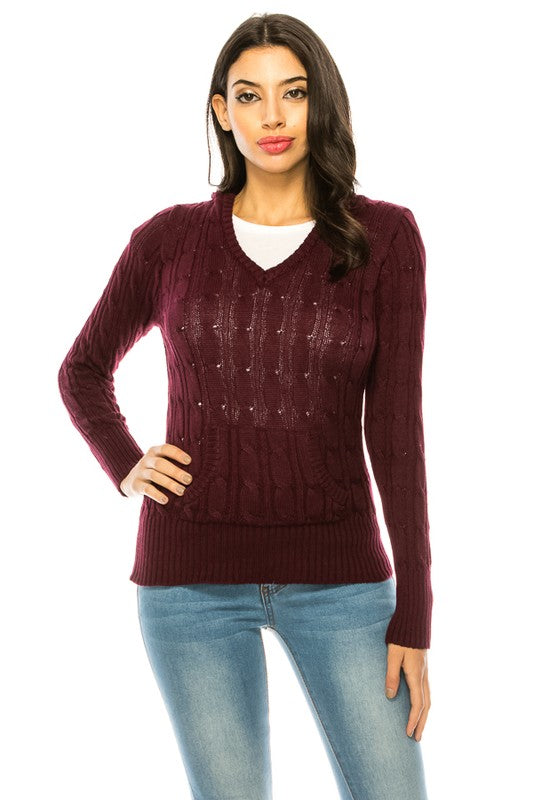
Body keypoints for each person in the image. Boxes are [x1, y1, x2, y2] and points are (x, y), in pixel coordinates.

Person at [58, 12, 433, 800]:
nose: (272, 116)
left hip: (342, 583)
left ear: (320, 102)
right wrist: (127, 463)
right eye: (249, 95)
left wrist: (415, 612)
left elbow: (397, 436)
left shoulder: (383, 238)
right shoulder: (168, 240)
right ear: (221, 111)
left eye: (292, 93)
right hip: (188, 583)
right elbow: (83, 369)